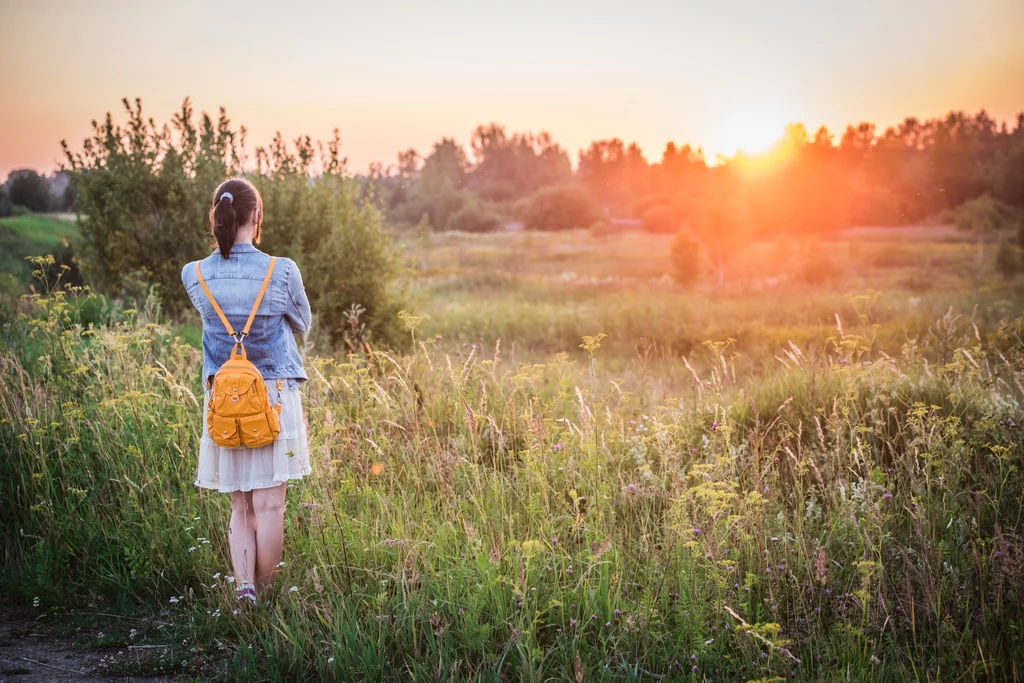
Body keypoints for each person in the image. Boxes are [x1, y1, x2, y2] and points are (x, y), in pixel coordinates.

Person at [180, 177, 312, 604]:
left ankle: (245, 591)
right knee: (271, 506)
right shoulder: (282, 270)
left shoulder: (195, 274)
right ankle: (268, 594)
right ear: (256, 216)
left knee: (241, 508)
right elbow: (302, 322)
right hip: (271, 396)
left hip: (223, 400)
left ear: (218, 216)